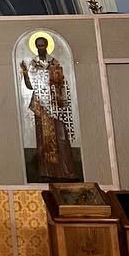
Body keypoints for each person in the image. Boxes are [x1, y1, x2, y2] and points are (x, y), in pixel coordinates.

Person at [20, 36, 78, 179]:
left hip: (54, 105)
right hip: (40, 106)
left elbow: (60, 83)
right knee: (43, 138)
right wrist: (26, 73)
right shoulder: (33, 64)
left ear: (46, 46)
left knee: (61, 136)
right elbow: (30, 86)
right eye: (38, 46)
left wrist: (59, 99)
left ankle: (65, 171)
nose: (40, 48)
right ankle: (47, 171)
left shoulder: (54, 62)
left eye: (43, 45)